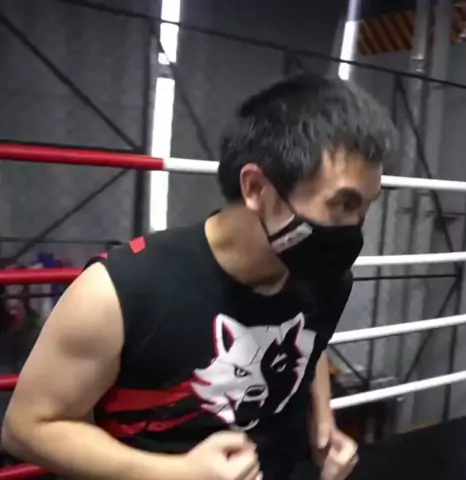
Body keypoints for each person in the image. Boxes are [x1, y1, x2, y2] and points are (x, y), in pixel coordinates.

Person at [1, 74, 398, 480]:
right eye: (343, 204)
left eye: (365, 208)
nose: (356, 227)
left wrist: (322, 422)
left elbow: (308, 340)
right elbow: (27, 427)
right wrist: (175, 473)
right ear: (257, 188)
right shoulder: (120, 293)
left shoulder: (324, 277)